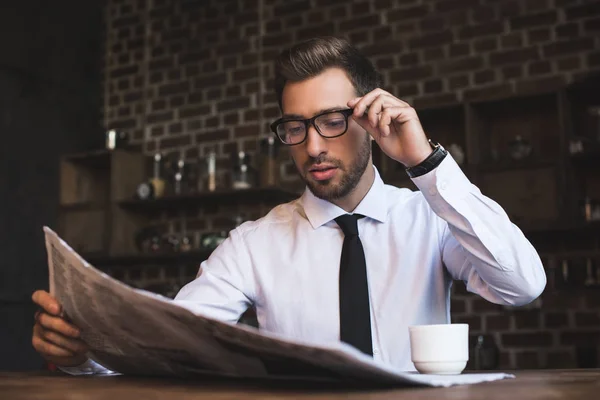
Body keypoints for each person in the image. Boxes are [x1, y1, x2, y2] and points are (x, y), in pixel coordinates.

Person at [31, 36, 546, 374]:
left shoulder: (429, 219)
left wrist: (426, 165)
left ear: (371, 118)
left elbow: (522, 286)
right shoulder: (253, 244)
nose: (314, 145)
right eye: (295, 126)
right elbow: (169, 341)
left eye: (331, 120)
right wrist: (84, 356)